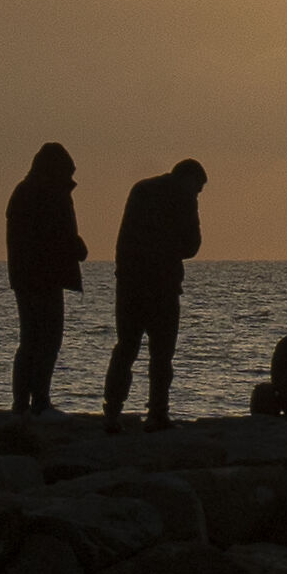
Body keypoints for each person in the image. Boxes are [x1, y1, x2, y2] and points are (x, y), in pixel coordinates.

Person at [104, 158, 206, 433]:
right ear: (191, 180)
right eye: (198, 189)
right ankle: (157, 414)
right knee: (161, 355)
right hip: (162, 286)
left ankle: (112, 412)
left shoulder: (141, 190)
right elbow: (192, 245)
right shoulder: (184, 198)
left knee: (126, 348)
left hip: (129, 283)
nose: (198, 194)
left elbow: (123, 239)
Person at [4, 141, 87, 418]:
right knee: (47, 339)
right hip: (44, 276)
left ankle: (22, 403)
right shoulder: (49, 194)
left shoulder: (25, 192)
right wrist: (75, 247)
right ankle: (38, 401)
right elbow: (54, 236)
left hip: (26, 276)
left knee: (31, 339)